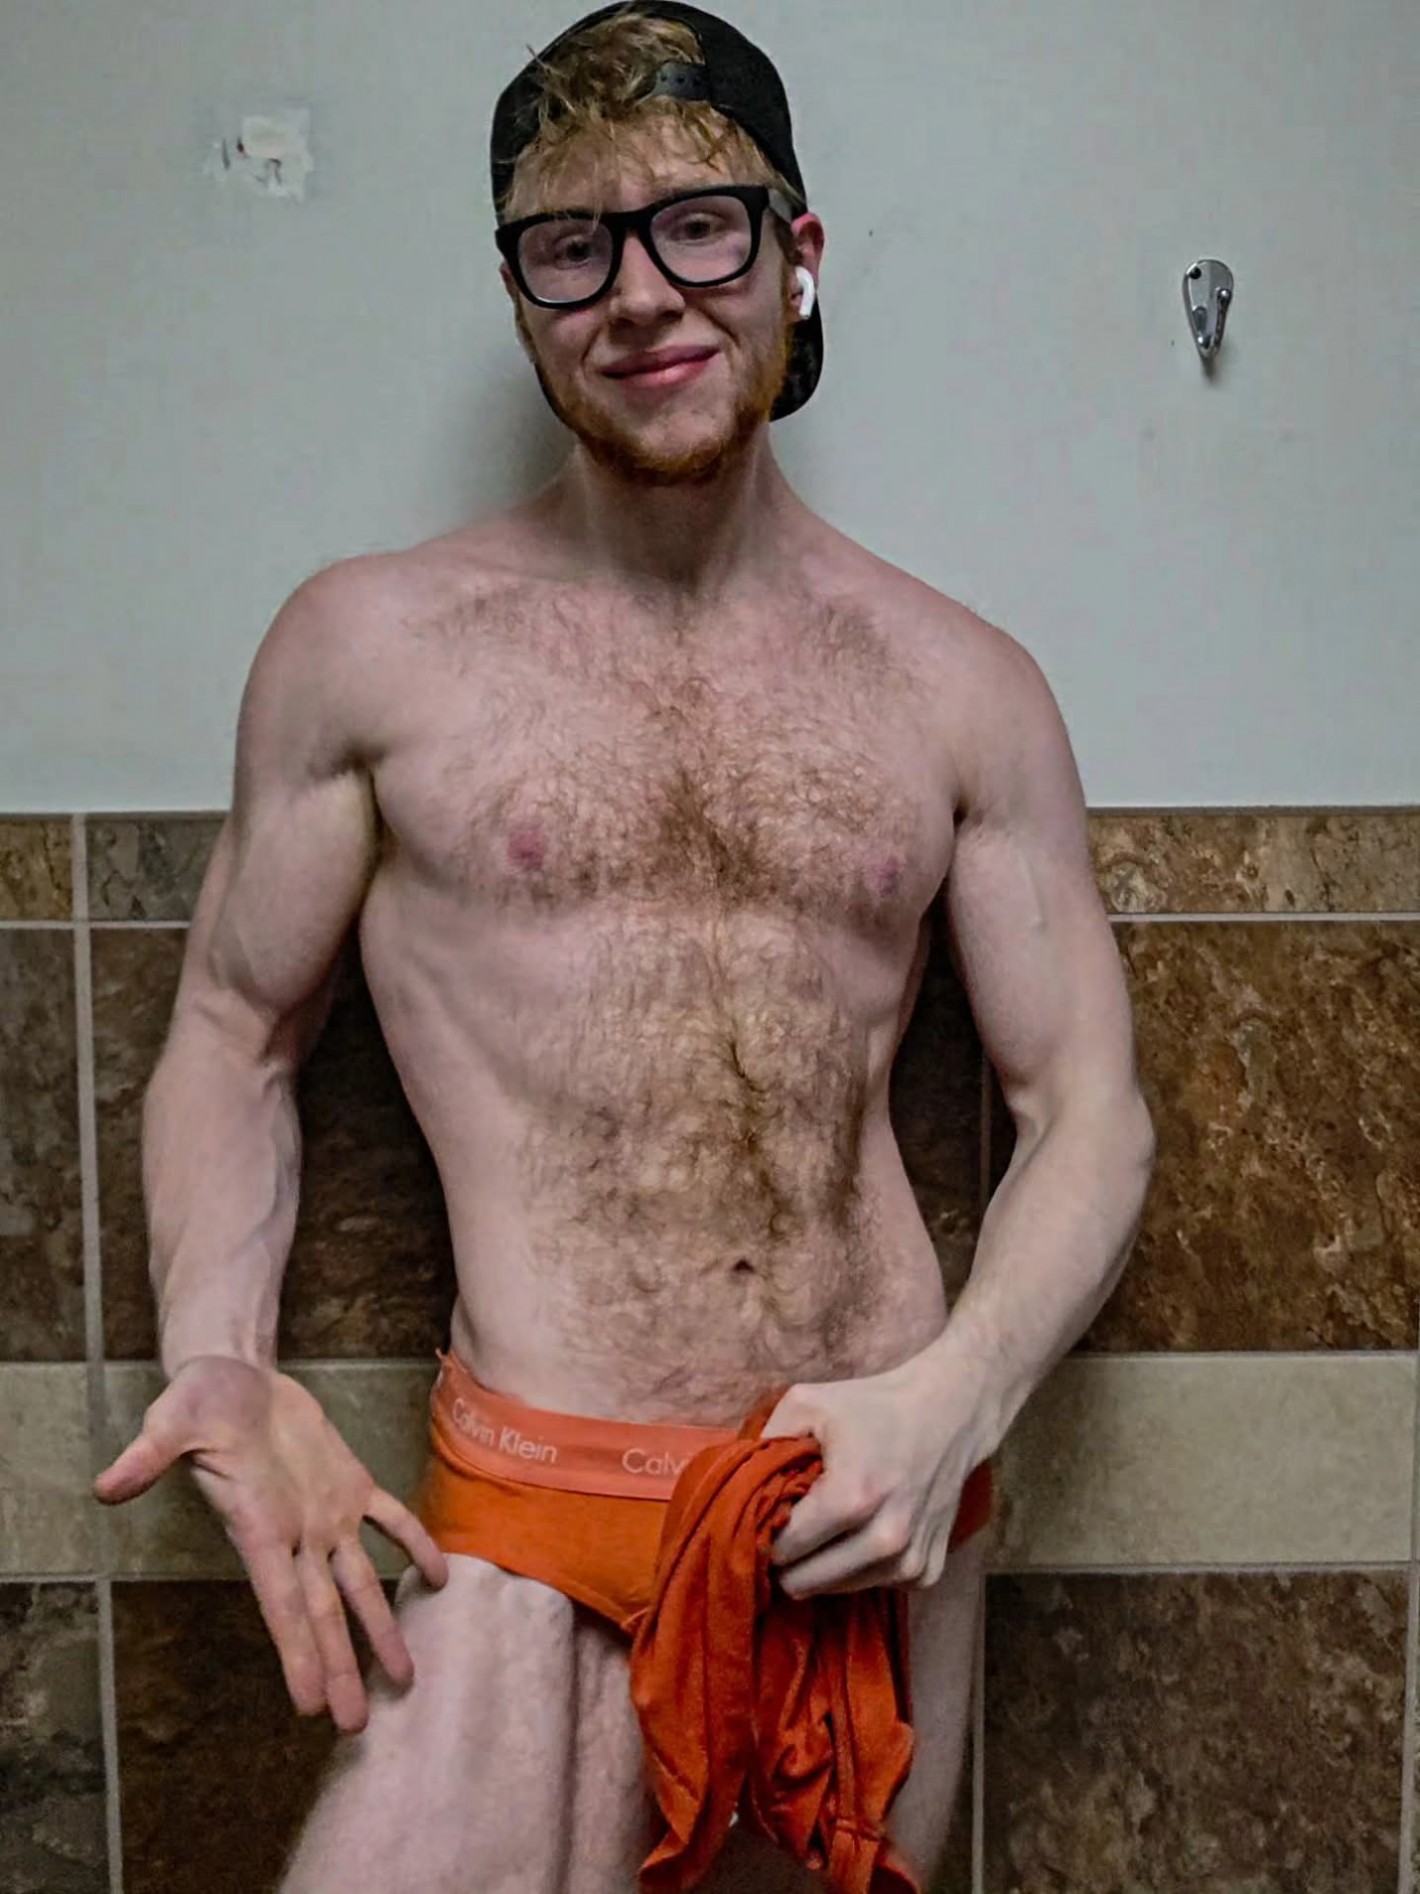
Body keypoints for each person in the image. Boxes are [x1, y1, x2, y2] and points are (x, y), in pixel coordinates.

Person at [94, 4, 1156, 1889]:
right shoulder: (371, 650)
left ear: (796, 253)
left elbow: (1087, 1104)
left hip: (870, 1515)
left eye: (700, 225)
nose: (643, 293)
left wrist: (958, 1399)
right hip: (540, 1518)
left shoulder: (957, 683)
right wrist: (218, 1355)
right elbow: (232, 1033)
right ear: (520, 296)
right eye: (572, 244)